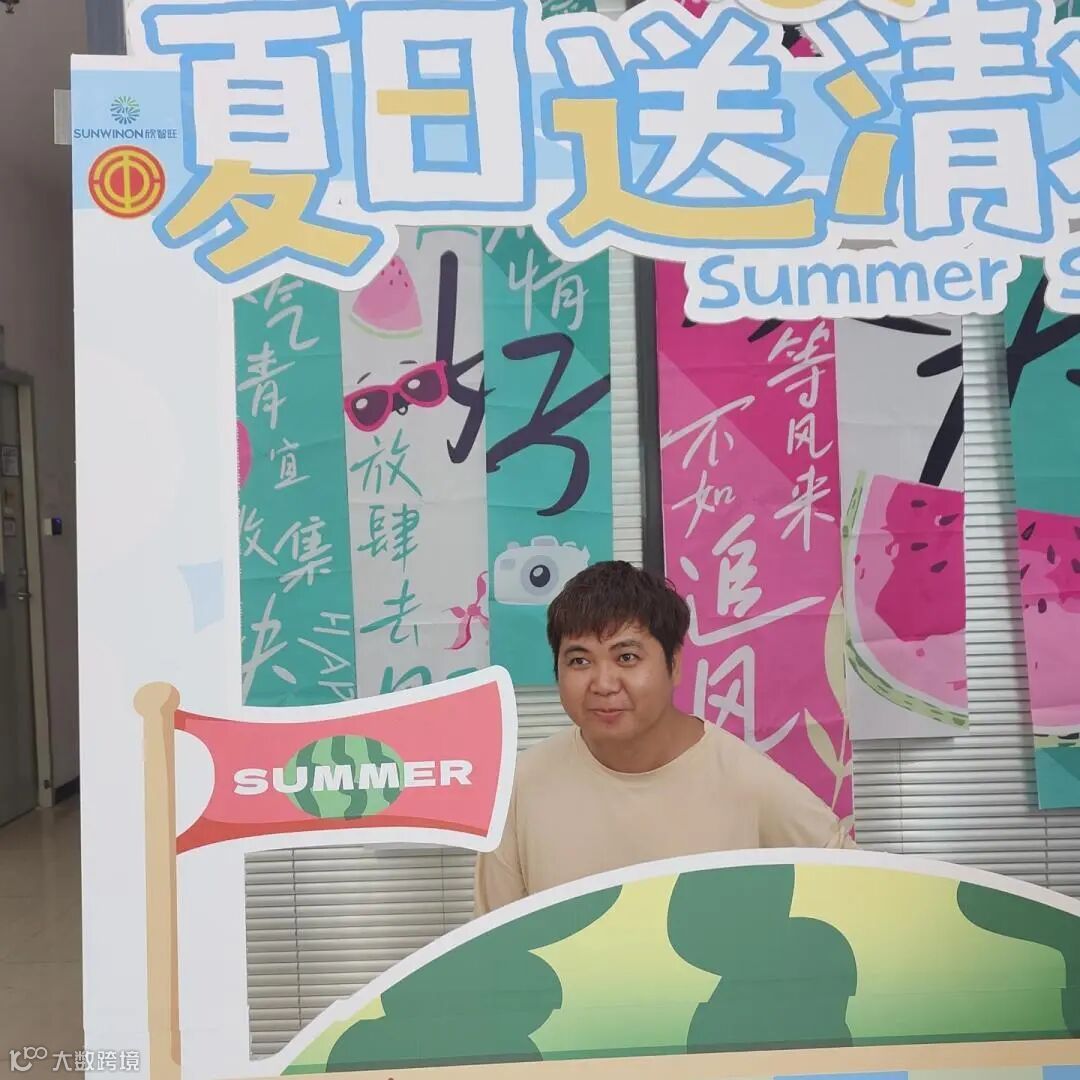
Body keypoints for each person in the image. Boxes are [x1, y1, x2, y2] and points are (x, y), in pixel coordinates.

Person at [474, 561, 854, 916]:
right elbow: (491, 945)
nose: (603, 684)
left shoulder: (746, 780)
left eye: (626, 657)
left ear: (674, 664)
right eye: (580, 661)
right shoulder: (520, 787)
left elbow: (856, 886)